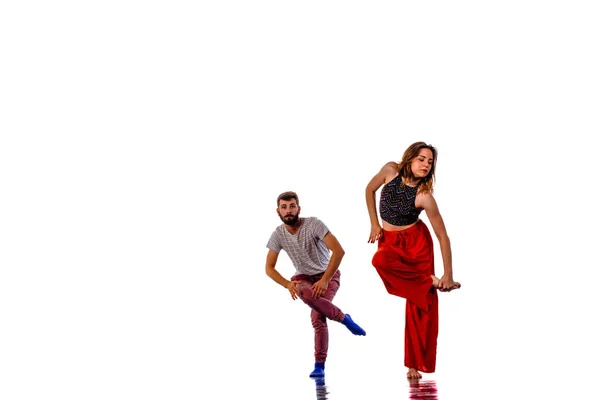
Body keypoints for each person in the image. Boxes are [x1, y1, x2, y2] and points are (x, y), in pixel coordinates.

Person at [365, 141, 461, 380]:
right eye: (422, 159)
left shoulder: (424, 196)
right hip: (389, 242)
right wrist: (375, 223)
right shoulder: (390, 171)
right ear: (409, 158)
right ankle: (428, 281)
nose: (426, 165)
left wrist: (448, 274)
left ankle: (413, 366)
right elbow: (369, 190)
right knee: (379, 261)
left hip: (416, 245)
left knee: (420, 307)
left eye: (430, 162)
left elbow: (442, 236)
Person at [265, 191, 366, 378]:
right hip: (302, 277)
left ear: (298, 208)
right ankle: (344, 318)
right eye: (284, 207)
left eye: (292, 206)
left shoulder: (313, 224)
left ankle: (319, 365)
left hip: (327, 274)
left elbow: (339, 251)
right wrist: (288, 284)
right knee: (304, 292)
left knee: (317, 317)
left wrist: (325, 280)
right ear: (278, 211)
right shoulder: (278, 234)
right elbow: (269, 268)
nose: (288, 211)